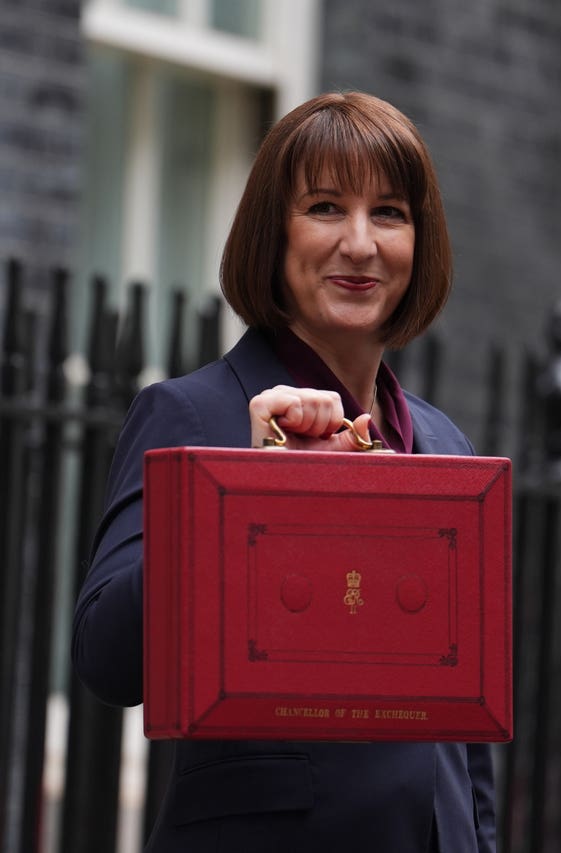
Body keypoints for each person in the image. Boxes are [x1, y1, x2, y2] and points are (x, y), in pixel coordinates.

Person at [72, 91, 496, 852]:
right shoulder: (194, 414)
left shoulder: (446, 443)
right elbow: (107, 658)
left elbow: (465, 738)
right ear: (274, 234)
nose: (361, 244)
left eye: (391, 213)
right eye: (326, 207)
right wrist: (246, 483)